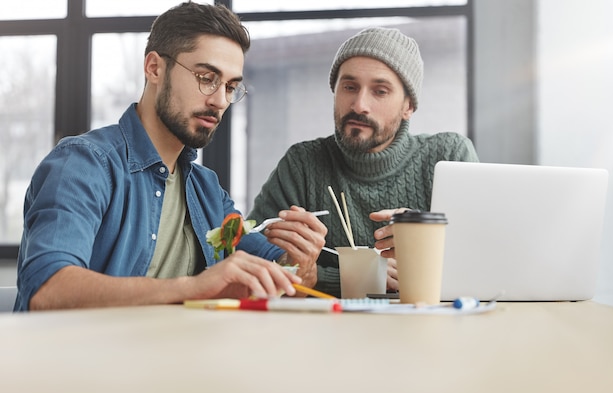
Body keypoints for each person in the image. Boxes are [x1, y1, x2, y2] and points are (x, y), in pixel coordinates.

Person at [14, 2, 327, 311]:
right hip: (80, 358)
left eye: (231, 86)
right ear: (154, 68)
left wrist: (300, 263)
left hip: (176, 357)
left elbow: (284, 284)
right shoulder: (82, 164)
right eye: (207, 77)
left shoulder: (206, 190)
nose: (220, 101)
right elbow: (48, 289)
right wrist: (194, 288)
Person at [248, 27, 479, 298]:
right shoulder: (303, 164)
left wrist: (428, 243)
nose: (359, 105)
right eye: (349, 87)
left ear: (408, 107)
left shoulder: (448, 155)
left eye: (379, 91)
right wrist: (323, 276)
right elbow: (250, 256)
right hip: (325, 333)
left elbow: (483, 258)